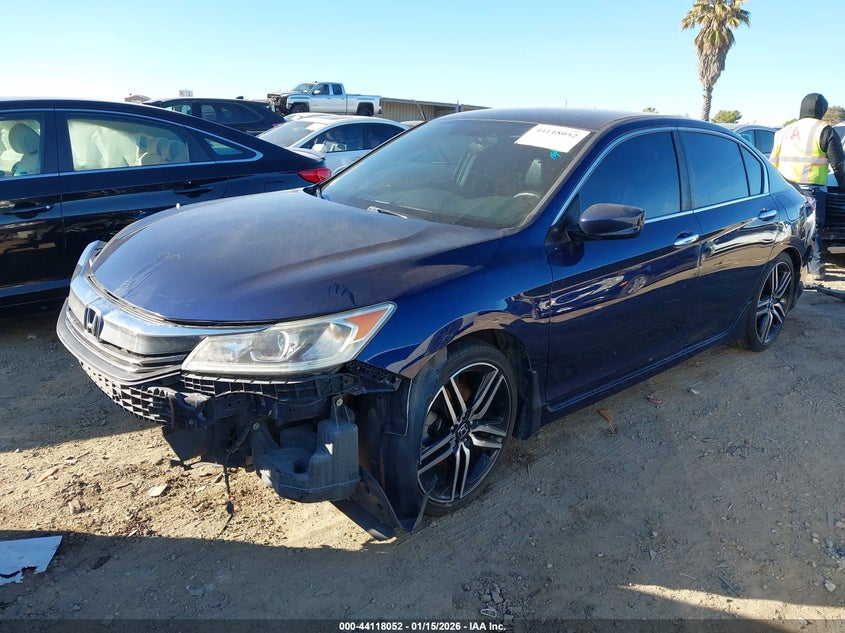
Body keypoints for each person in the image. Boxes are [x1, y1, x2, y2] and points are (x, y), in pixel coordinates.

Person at [770, 93, 845, 281]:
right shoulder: (824, 130)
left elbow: (772, 163)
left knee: (788, 231)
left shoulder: (783, 131)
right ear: (822, 111)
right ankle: (816, 270)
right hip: (811, 189)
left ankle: (783, 269)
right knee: (813, 229)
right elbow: (839, 165)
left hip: (785, 189)